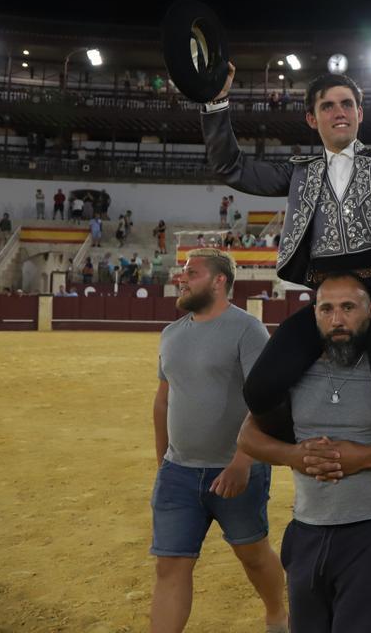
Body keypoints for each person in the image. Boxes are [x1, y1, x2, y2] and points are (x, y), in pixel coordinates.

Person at [200, 27, 371, 463]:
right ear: (312, 118)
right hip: (325, 300)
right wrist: (215, 103)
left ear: (360, 113)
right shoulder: (298, 171)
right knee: (260, 387)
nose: (338, 111)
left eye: (346, 104)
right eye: (327, 106)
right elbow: (231, 166)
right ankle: (310, 451)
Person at [236, 273, 371, 632]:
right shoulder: (292, 373)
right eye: (326, 309)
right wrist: (293, 455)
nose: (337, 320)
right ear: (314, 315)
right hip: (307, 528)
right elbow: (247, 437)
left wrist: (366, 456)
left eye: (348, 308)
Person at [149, 249, 286, 633]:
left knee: (253, 555)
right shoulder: (171, 334)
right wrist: (163, 464)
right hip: (178, 472)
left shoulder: (247, 329)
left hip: (235, 470)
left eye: (191, 272)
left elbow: (265, 401)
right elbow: (163, 400)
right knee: (169, 565)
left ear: (219, 280)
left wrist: (243, 461)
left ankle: (277, 614)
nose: (181, 278)